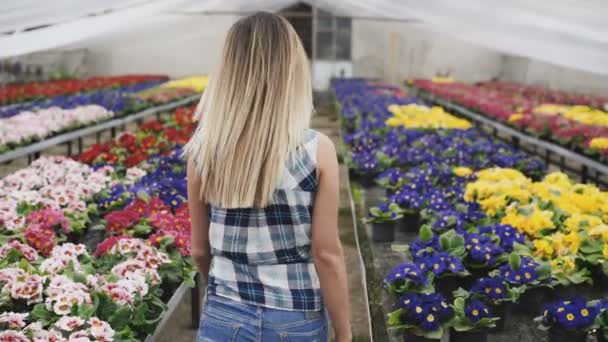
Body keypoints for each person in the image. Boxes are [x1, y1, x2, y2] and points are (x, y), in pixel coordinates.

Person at [184, 12, 352, 342]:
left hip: (224, 313)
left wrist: (227, 294)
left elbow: (200, 252)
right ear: (292, 69)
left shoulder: (202, 150)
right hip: (295, 317)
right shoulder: (316, 151)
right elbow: (327, 255)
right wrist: (345, 332)